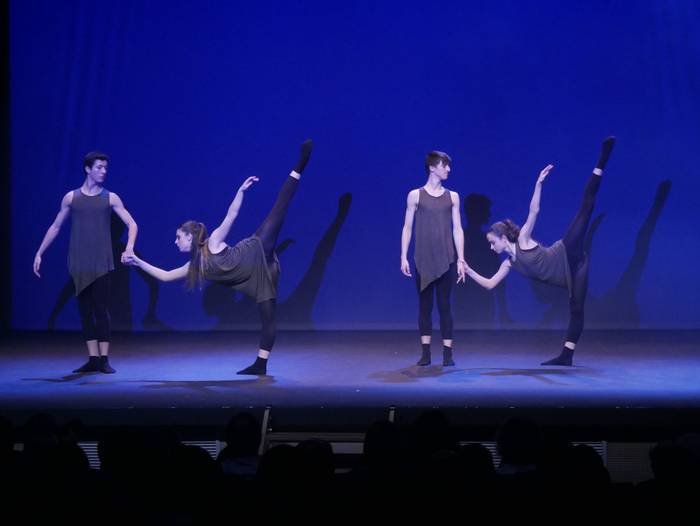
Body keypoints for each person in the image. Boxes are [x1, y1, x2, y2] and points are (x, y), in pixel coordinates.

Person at [124, 140, 313, 375]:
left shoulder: (212, 241)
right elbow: (165, 276)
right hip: (256, 278)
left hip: (254, 251)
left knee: (279, 209)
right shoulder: (194, 266)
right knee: (267, 319)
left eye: (178, 237)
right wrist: (137, 261)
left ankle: (300, 164)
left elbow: (231, 215)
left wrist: (240, 192)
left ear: (190, 237)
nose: (175, 241)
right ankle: (261, 365)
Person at [464, 137, 616, 366]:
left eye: (492, 242)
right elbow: (490, 284)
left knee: (585, 210)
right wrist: (468, 270)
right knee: (575, 309)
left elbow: (533, 210)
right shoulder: (508, 263)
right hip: (570, 273)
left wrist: (539, 183)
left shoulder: (523, 239)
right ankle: (566, 357)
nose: (490, 246)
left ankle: (602, 161)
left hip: (567, 253)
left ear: (503, 238)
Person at [34, 151, 138, 373]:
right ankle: (93, 358)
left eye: (105, 168)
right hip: (78, 263)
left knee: (101, 309)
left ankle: (104, 359)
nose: (103, 171)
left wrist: (129, 247)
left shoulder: (110, 198)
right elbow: (56, 226)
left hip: (101, 262)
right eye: (99, 167)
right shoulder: (71, 198)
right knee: (85, 311)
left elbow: (132, 224)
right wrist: (40, 252)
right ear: (87, 169)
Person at [401, 151, 467, 366]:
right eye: (444, 165)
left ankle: (448, 354)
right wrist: (403, 256)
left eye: (448, 165)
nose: (448, 169)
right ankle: (426, 353)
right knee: (425, 306)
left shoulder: (453, 197)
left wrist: (461, 259)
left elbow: (457, 229)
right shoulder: (415, 195)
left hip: (446, 258)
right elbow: (407, 227)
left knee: (445, 305)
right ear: (432, 167)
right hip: (423, 259)